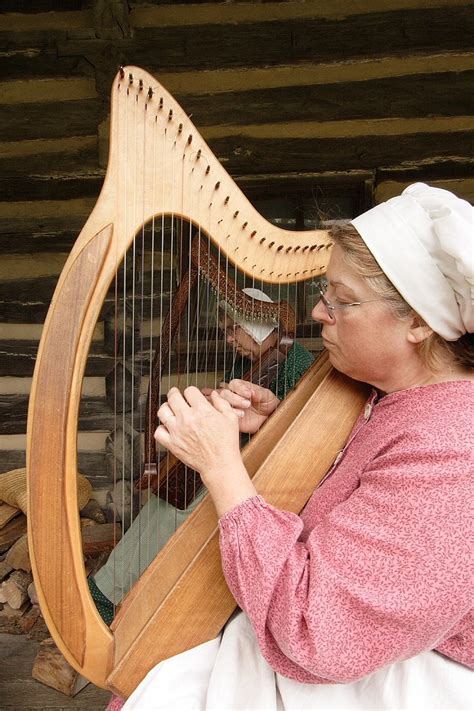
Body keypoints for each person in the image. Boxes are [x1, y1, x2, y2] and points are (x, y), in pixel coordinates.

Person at [115, 183, 472, 710]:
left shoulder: (453, 450)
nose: (320, 314)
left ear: (418, 322)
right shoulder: (394, 394)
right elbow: (365, 488)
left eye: (342, 300)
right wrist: (275, 425)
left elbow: (321, 634)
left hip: (390, 676)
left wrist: (221, 467)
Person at [88, 288, 314, 623]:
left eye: (232, 329)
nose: (228, 339)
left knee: (185, 507)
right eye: (224, 331)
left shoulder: (299, 366)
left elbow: (294, 438)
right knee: (169, 497)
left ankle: (114, 592)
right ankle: (116, 588)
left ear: (256, 325)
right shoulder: (248, 362)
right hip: (234, 463)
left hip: (267, 476)